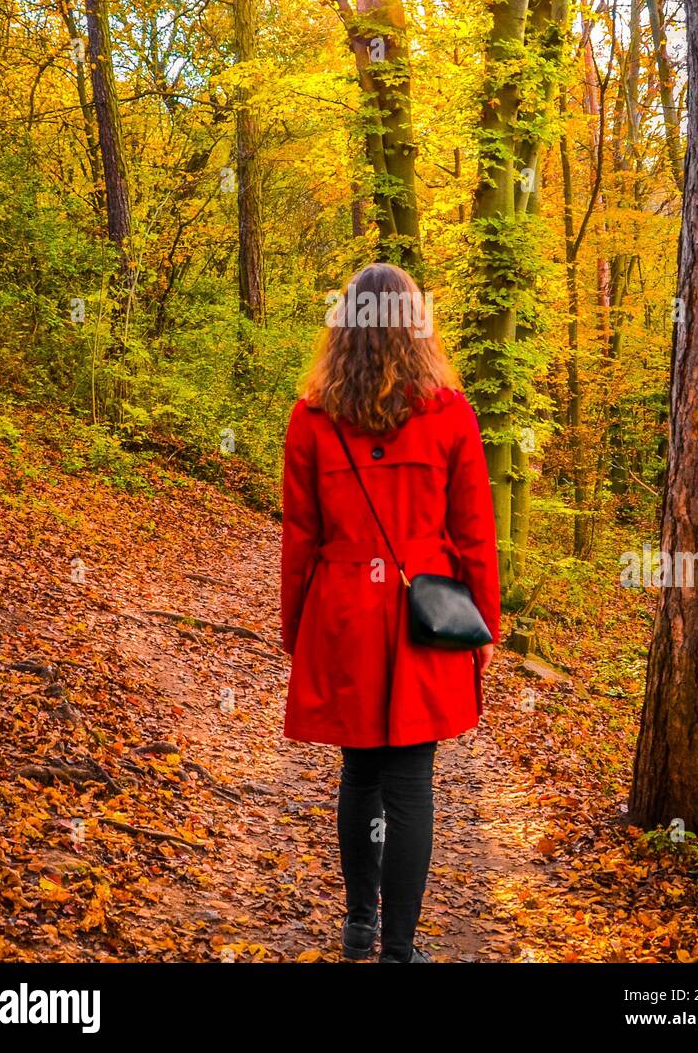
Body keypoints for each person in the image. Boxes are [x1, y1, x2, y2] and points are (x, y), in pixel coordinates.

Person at [280, 262, 501, 963]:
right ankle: (398, 948)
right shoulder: (450, 412)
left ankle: (358, 926)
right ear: (417, 326)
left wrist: (296, 626)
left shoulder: (312, 419)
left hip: (343, 610)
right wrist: (483, 623)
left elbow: (299, 537)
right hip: (425, 610)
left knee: (360, 773)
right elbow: (473, 531)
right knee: (410, 781)